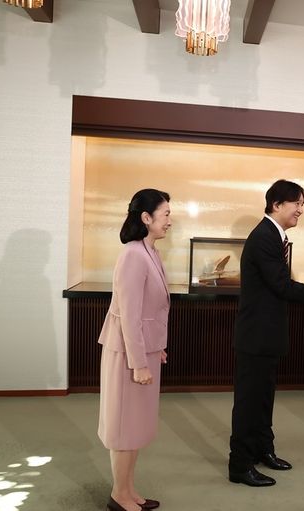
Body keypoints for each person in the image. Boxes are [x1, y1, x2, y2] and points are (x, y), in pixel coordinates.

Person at [229, 179, 304, 487]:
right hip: (256, 337)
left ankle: (263, 450)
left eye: (302, 204)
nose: (300, 210)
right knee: (249, 403)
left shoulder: (274, 236)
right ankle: (240, 465)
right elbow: (282, 286)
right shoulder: (264, 237)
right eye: (297, 203)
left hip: (266, 336)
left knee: (264, 399)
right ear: (276, 205)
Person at [98, 189, 172, 511]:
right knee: (124, 427)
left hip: (142, 351)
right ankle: (119, 495)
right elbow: (129, 315)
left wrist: (157, 349)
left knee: (136, 425)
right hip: (129, 356)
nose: (169, 220)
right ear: (146, 217)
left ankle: (128, 490)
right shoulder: (132, 254)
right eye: (166, 214)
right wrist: (140, 362)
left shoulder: (149, 251)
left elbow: (150, 311)